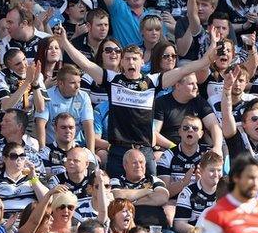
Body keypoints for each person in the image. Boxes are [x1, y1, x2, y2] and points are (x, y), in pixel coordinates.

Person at [56, 22, 223, 179]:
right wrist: (64, 42)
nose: (131, 62)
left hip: (144, 150)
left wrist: (210, 54)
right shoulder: (112, 79)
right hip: (118, 150)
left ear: (142, 61)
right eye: (127, 59)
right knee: (116, 197)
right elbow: (85, 64)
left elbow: (184, 70)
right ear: (121, 61)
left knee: (152, 193)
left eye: (134, 59)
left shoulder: (153, 81)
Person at [34, 63, 95, 154]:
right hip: (52, 146)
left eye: (79, 82)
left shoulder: (83, 96)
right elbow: (40, 124)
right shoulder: (47, 95)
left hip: (77, 146)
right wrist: (43, 150)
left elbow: (88, 126)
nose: (77, 86)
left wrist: (91, 154)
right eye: (72, 83)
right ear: (61, 83)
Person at [0, 142, 48, 218]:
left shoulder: (33, 177)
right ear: (4, 158)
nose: (19, 160)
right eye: (14, 156)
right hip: (3, 222)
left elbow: (47, 201)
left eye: (22, 156)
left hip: (29, 223)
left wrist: (33, 178)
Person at [111, 149, 170, 228]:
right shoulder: (116, 181)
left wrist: (130, 202)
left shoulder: (153, 179)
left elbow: (163, 197)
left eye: (141, 162)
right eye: (134, 163)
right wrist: (147, 192)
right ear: (125, 166)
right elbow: (116, 196)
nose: (138, 166)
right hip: (130, 230)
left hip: (157, 228)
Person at [0, 108, 44, 177]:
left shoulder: (33, 154)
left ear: (19, 126)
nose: (1, 123)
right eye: (2, 120)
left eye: (7, 121)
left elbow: (41, 178)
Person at [173, 151, 223, 233]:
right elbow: (179, 225)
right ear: (201, 170)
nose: (216, 174)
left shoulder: (225, 191)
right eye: (212, 170)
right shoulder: (188, 192)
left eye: (219, 170)